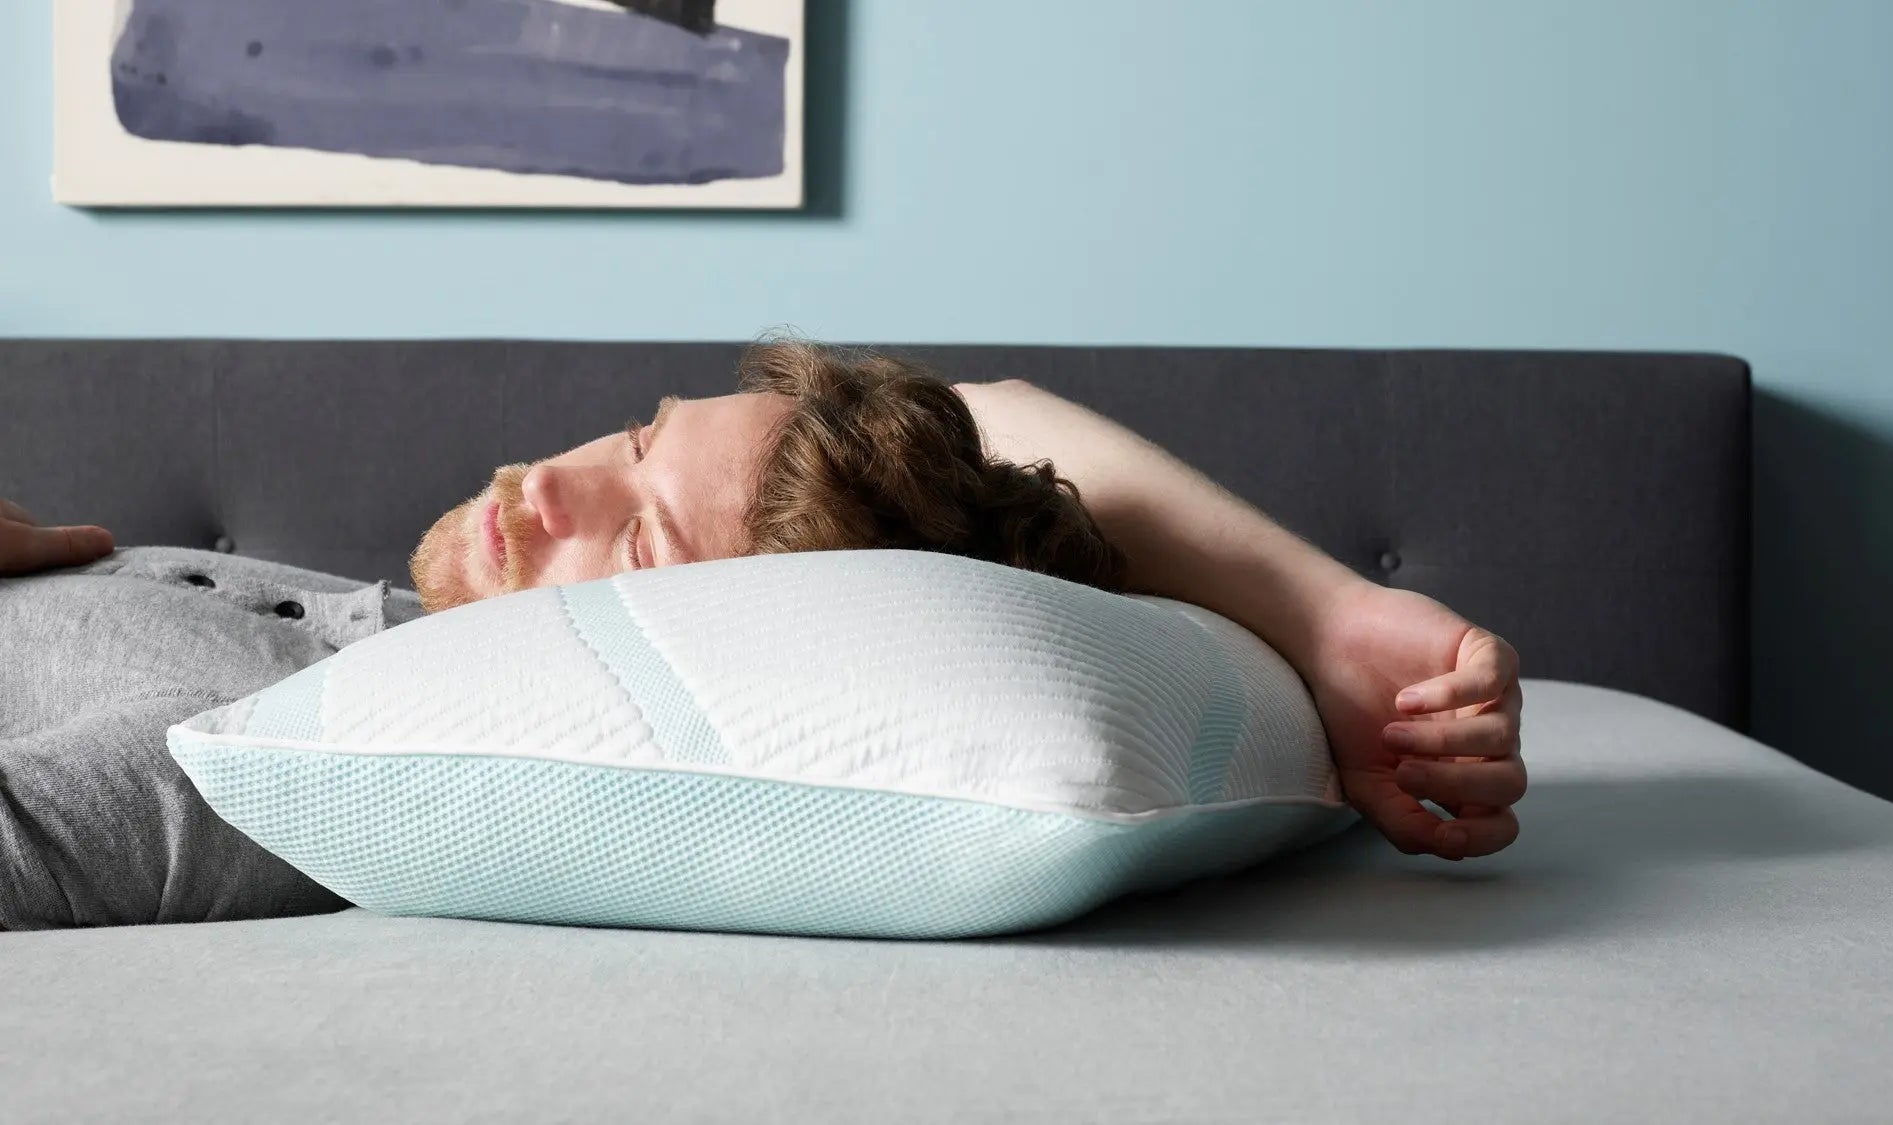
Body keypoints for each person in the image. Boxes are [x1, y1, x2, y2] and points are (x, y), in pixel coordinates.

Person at [0, 339, 1524, 932]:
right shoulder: (374, 631)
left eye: (642, 532)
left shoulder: (270, 763)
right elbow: (987, 417)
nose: (550, 487)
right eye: (641, 427)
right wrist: (1328, 610)